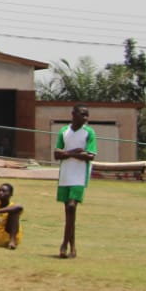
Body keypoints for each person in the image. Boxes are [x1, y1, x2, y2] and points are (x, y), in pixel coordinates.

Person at [55, 104, 96, 259]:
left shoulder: (88, 132)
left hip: (79, 175)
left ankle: (64, 244)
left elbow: (90, 156)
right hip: (65, 175)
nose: (85, 118)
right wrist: (75, 152)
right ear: (73, 114)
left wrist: (67, 154)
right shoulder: (64, 131)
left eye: (87, 115)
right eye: (82, 114)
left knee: (71, 207)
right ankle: (72, 247)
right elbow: (56, 154)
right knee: (68, 212)